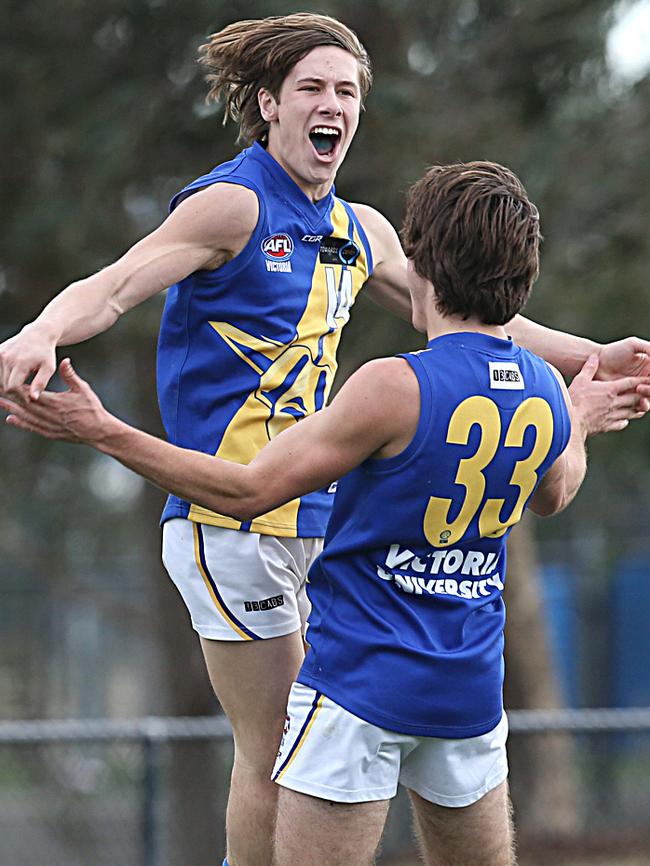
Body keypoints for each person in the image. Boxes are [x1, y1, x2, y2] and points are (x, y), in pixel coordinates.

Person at [1, 13, 650, 866]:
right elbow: (118, 284)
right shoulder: (233, 203)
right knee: (277, 753)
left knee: (316, 746)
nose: (331, 104)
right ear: (269, 105)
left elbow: (472, 307)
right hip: (227, 516)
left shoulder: (363, 229)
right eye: (311, 87)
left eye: (346, 91)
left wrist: (591, 354)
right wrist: (43, 331)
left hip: (315, 518)